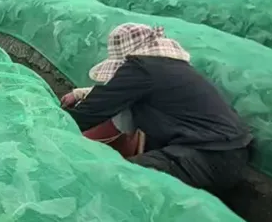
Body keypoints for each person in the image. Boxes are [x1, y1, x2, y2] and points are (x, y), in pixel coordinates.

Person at [61, 23, 252, 194]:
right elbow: (115, 90)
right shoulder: (164, 66)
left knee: (117, 182)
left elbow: (92, 110)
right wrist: (79, 94)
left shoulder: (141, 68)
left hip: (207, 155)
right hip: (229, 152)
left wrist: (55, 125)